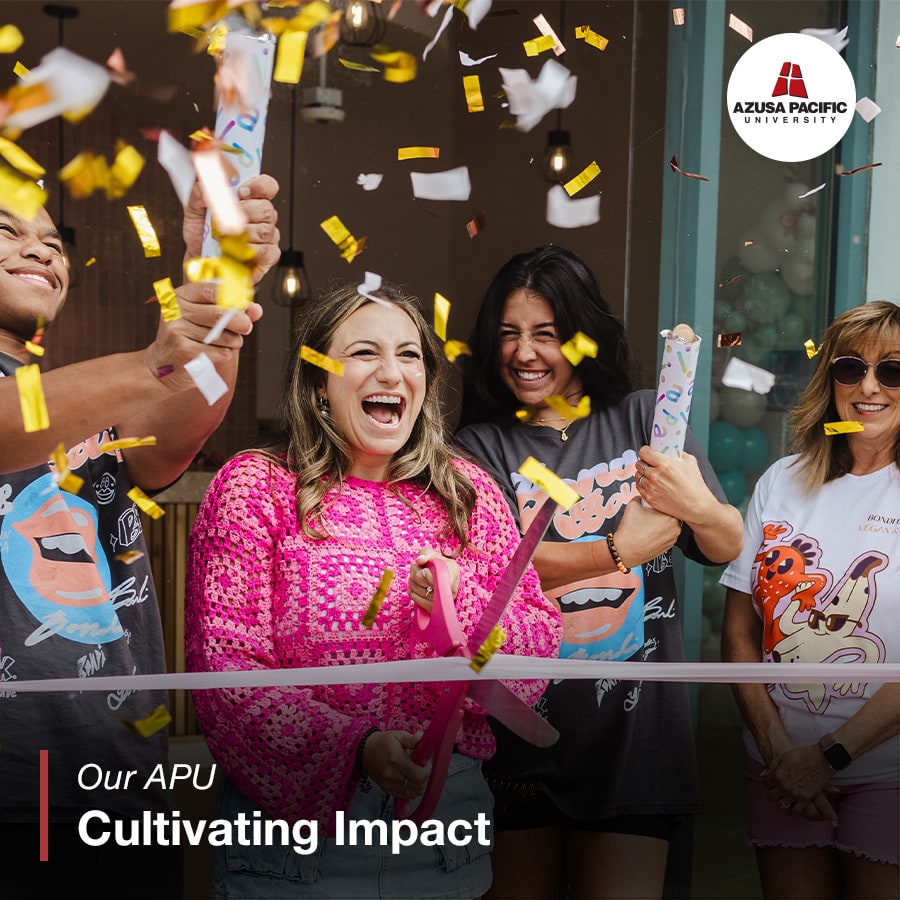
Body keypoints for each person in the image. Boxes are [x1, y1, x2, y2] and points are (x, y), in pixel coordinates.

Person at [184, 282, 562, 899]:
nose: (392, 372)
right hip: (296, 848)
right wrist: (356, 749)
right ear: (318, 383)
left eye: (410, 355)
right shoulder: (256, 488)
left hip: (445, 828)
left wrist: (457, 604)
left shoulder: (467, 494)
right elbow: (227, 674)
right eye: (364, 353)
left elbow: (533, 649)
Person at [0, 175, 280, 898]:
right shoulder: (73, 394)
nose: (39, 250)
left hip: (123, 774)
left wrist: (215, 272)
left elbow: (190, 417)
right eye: (8, 232)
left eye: (53, 243)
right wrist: (152, 363)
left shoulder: (89, 404)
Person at [454, 245, 744, 900]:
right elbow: (492, 574)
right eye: (509, 334)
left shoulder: (646, 419)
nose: (524, 353)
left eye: (545, 334)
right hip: (516, 736)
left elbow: (726, 541)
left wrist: (693, 504)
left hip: (635, 740)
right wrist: (618, 550)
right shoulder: (480, 447)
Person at [720, 300, 900, 900]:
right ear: (831, 382)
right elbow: (740, 632)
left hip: (885, 769)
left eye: (893, 371)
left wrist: (828, 758)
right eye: (852, 368)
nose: (869, 386)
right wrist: (777, 749)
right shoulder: (781, 480)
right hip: (776, 762)